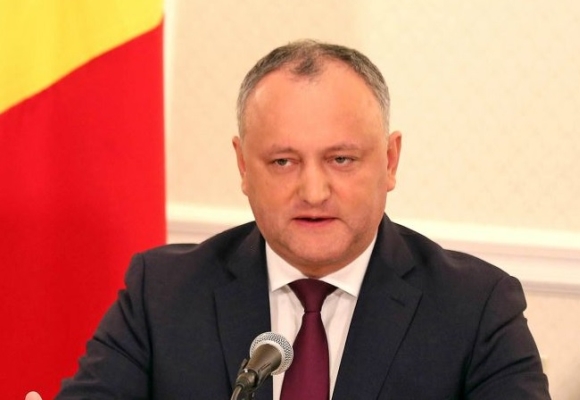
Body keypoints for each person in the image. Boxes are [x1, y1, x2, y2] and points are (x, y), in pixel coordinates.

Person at [36, 40, 550, 399]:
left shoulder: (476, 308)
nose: (313, 191)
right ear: (243, 166)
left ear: (390, 161)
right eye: (283, 161)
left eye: (341, 159)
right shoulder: (163, 293)